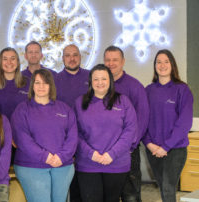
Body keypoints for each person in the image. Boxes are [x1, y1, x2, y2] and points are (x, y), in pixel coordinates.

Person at [11, 69, 78, 202]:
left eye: (45, 83)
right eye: (37, 82)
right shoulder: (22, 109)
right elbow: (22, 139)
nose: (41, 86)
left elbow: (72, 137)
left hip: (62, 166)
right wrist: (45, 156)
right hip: (31, 166)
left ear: (51, 86)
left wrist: (61, 156)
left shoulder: (64, 109)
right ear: (32, 86)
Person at [75, 64, 137, 202]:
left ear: (110, 80)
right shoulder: (79, 103)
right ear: (90, 82)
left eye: (104, 78)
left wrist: (112, 154)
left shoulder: (123, 101)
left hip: (116, 164)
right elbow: (76, 133)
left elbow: (130, 130)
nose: (100, 82)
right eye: (96, 79)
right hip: (88, 164)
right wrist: (91, 154)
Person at [143, 49, 193, 202]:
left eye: (166, 61)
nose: (162, 65)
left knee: (168, 187)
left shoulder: (182, 89)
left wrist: (166, 146)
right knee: (163, 188)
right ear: (154, 66)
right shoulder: (148, 90)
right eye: (158, 62)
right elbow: (142, 121)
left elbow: (184, 123)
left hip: (175, 149)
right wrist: (148, 143)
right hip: (153, 149)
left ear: (172, 65)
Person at [104, 45, 149, 202]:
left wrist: (130, 145)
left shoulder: (134, 86)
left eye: (115, 60)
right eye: (108, 60)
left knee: (130, 195)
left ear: (123, 61)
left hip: (128, 151)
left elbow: (142, 119)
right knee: (109, 194)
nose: (111, 63)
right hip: (105, 152)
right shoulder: (100, 86)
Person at [54, 44, 89, 202]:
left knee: (86, 182)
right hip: (64, 138)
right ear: (62, 58)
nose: (72, 58)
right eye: (68, 55)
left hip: (89, 137)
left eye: (75, 55)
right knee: (70, 182)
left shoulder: (91, 77)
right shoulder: (55, 80)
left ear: (80, 57)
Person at [0, 47, 29, 120]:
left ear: (17, 62)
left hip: (22, 129)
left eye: (12, 58)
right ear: (0, 62)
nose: (9, 62)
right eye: (5, 59)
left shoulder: (28, 83)